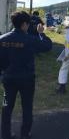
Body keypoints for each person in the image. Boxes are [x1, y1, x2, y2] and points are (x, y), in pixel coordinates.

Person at [0, 11, 52, 139]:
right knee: (27, 107)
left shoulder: (2, 39)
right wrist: (41, 34)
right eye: (28, 24)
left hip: (8, 79)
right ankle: (25, 134)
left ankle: (5, 135)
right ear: (24, 24)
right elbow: (47, 46)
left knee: (6, 107)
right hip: (27, 80)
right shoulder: (30, 39)